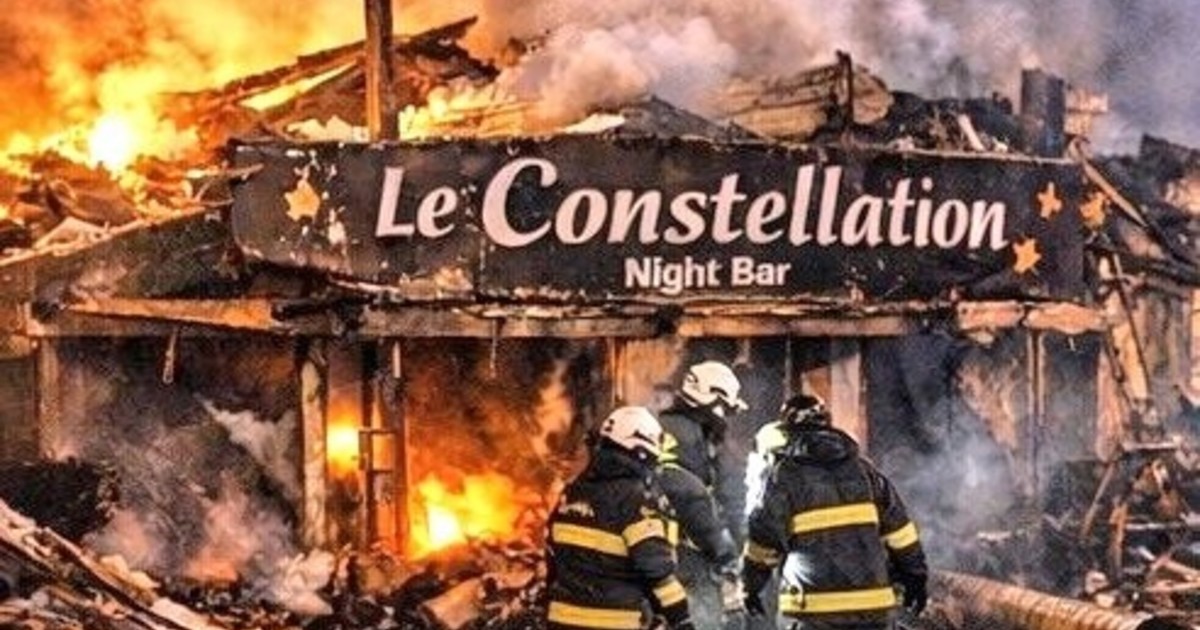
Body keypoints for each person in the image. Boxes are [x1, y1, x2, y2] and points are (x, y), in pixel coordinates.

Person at [742, 394, 928, 630]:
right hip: (873, 610)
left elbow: (763, 543)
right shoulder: (865, 471)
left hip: (812, 613)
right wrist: (915, 577)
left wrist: (751, 588)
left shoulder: (781, 476)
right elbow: (901, 534)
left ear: (786, 429)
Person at [546, 406, 694, 630]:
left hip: (561, 620)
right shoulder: (636, 499)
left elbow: (552, 556)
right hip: (611, 622)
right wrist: (682, 620)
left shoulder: (573, 491)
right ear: (643, 450)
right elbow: (656, 569)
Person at [658, 361, 749, 630]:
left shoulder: (659, 427)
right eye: (726, 409)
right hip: (687, 557)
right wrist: (726, 552)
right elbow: (692, 499)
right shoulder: (694, 438)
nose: (726, 419)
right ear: (713, 399)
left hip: (650, 557)